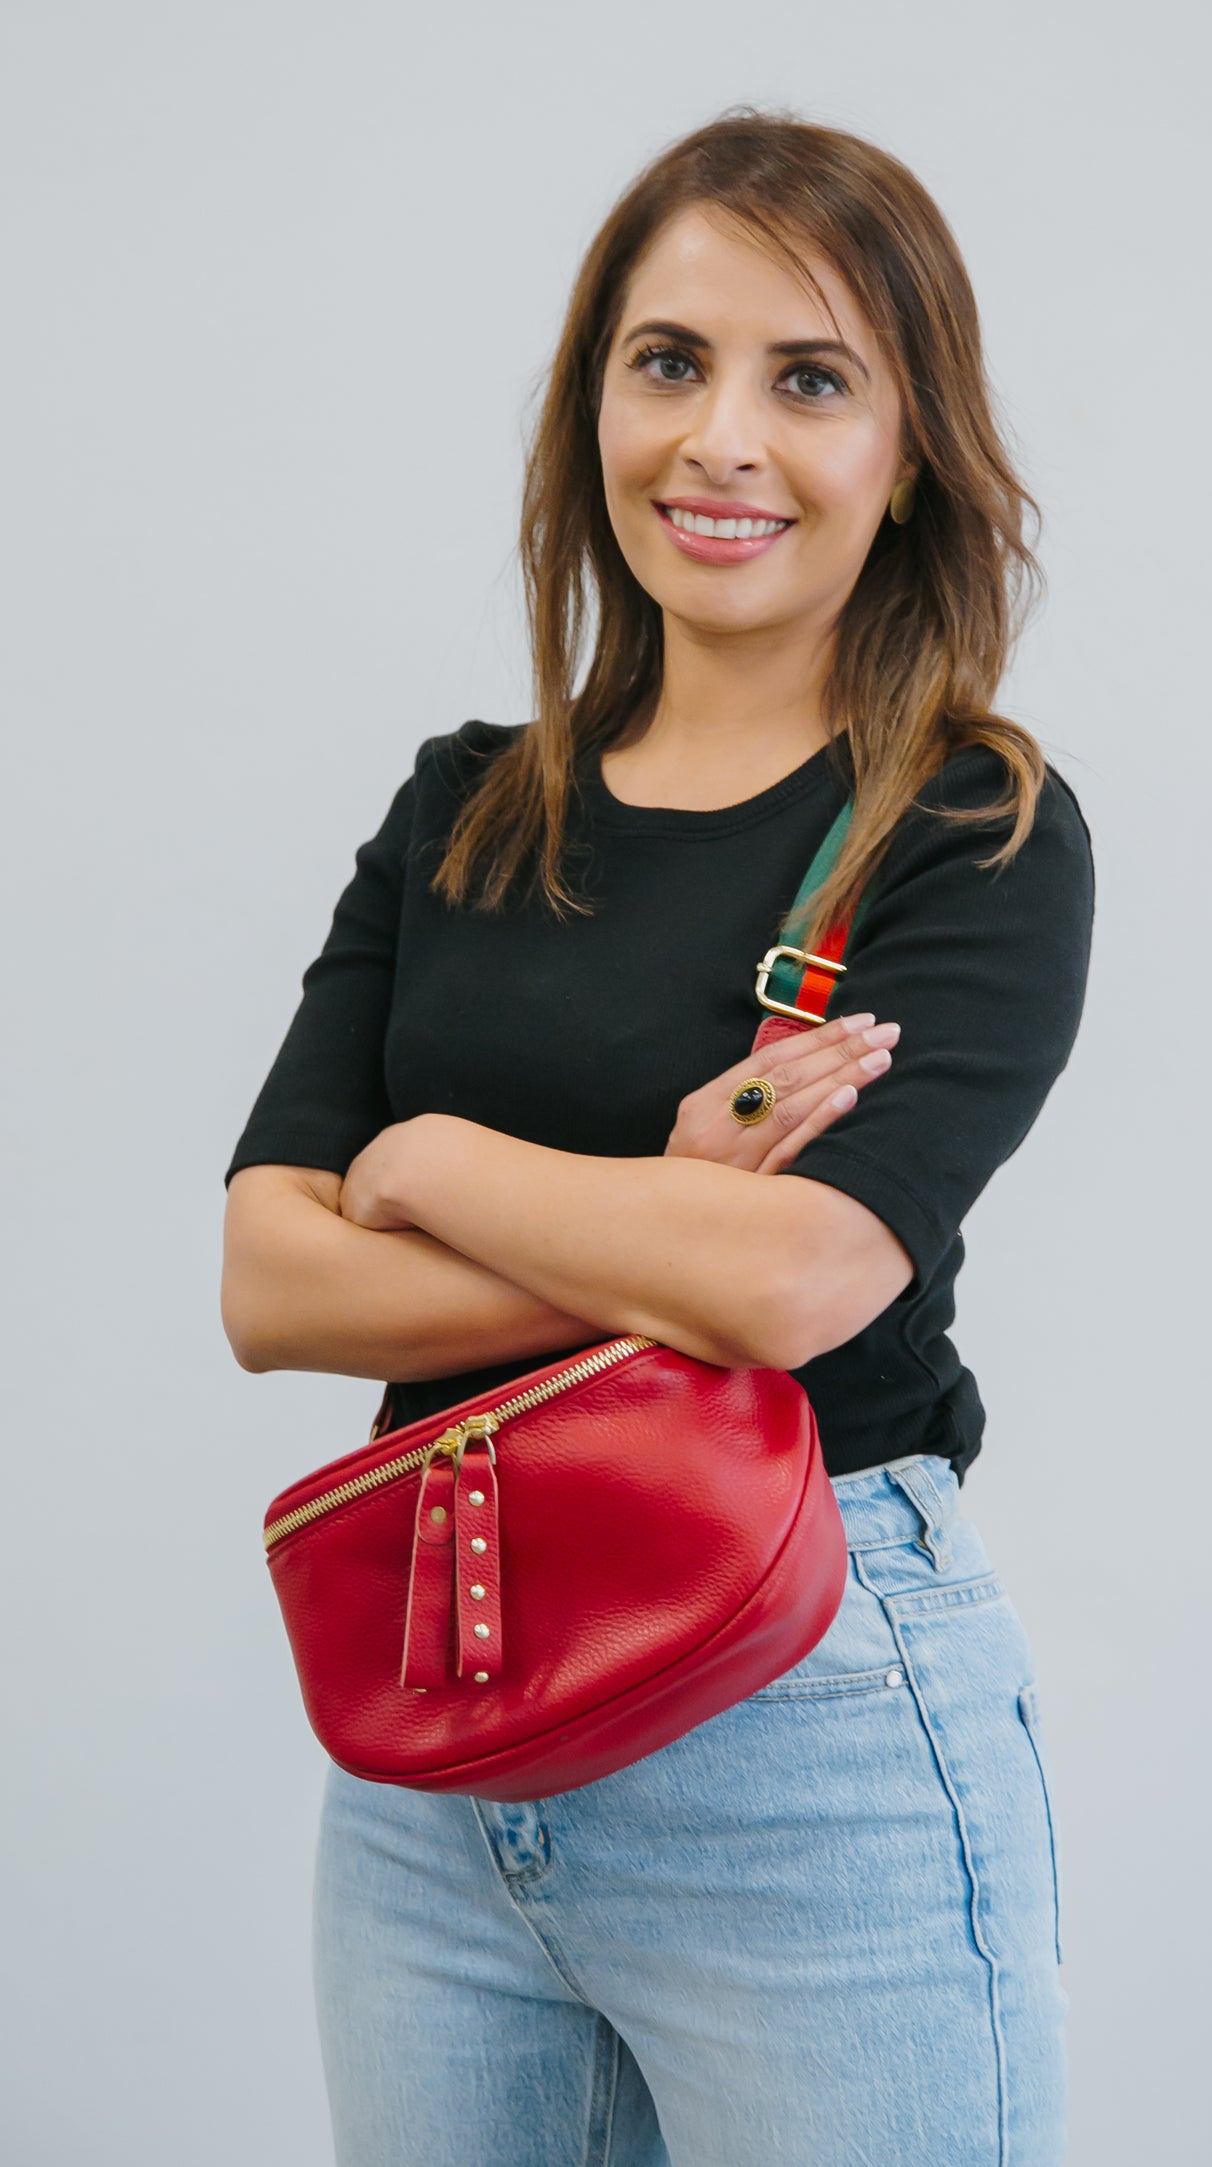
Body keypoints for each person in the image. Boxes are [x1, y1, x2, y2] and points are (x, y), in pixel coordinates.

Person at [221, 107, 1095, 2167]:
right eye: (669, 360)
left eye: (810, 380)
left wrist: (429, 1163)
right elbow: (269, 1283)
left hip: (809, 1725)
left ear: (909, 457)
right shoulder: (463, 809)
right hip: (437, 1750)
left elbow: (798, 1280)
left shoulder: (969, 832)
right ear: (592, 404)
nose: (722, 439)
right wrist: (660, 1216)